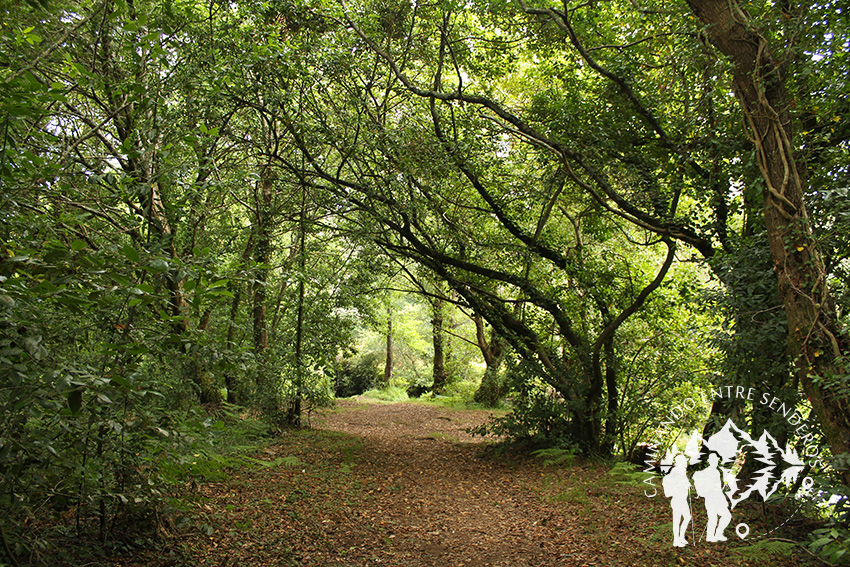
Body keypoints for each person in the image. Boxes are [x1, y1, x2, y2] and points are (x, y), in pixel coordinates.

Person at [692, 452, 732, 542]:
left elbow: (717, 486)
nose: (715, 462)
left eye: (716, 461)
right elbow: (708, 485)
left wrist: (723, 488)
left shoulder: (717, 472)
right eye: (713, 461)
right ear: (710, 462)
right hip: (711, 497)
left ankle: (718, 534)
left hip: (718, 497)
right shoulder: (707, 472)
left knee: (726, 516)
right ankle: (710, 536)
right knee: (713, 517)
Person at [662, 453, 691, 547]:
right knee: (677, 520)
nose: (686, 463)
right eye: (684, 461)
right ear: (679, 462)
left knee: (687, 517)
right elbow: (675, 484)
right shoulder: (675, 472)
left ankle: (681, 537)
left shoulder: (682, 472)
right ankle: (676, 540)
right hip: (678, 499)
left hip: (683, 499)